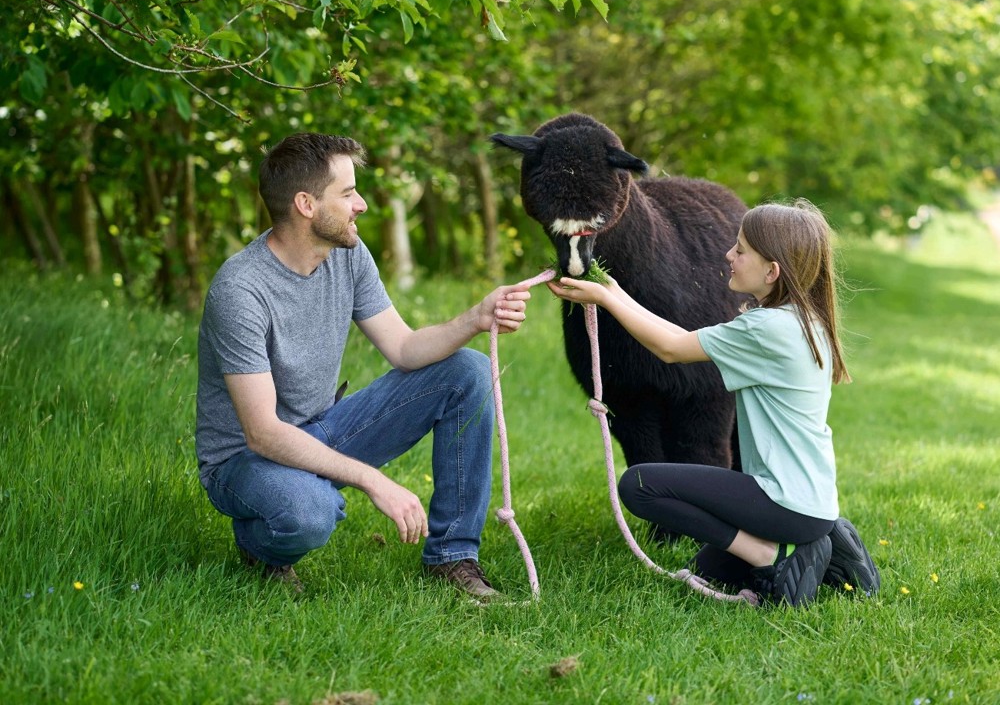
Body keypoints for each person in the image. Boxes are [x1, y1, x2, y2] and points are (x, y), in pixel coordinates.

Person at [195, 133, 534, 599]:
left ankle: (452, 558)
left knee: (467, 372)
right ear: (305, 204)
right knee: (309, 513)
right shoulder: (240, 292)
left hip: (321, 428)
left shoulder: (348, 257)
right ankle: (260, 544)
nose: (362, 205)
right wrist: (371, 479)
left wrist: (475, 319)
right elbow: (263, 433)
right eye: (348, 193)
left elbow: (405, 348)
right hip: (246, 462)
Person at [547, 199, 879, 606]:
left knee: (639, 487)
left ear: (772, 271)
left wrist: (607, 301)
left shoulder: (765, 329)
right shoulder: (805, 321)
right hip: (813, 499)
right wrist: (615, 291)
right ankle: (824, 541)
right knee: (712, 568)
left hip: (783, 501)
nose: (728, 255)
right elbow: (679, 336)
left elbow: (671, 348)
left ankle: (772, 552)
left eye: (740, 250)